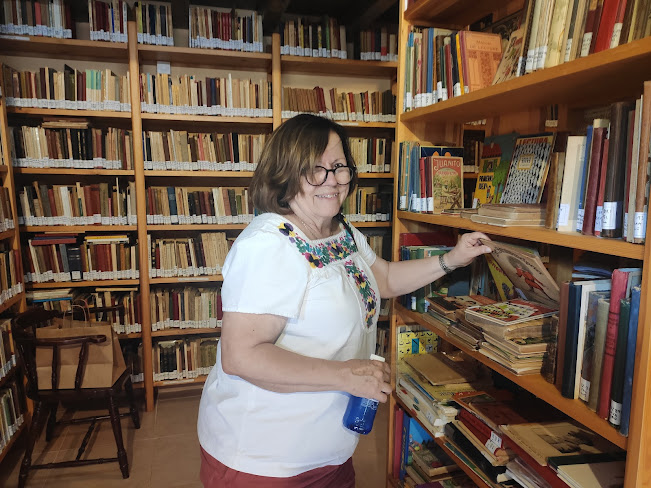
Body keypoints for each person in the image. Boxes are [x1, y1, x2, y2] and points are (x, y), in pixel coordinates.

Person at [197, 114, 491, 487]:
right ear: (286, 173)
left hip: (328, 448)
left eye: (339, 167)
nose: (332, 180)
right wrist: (346, 376)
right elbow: (242, 356)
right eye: (315, 170)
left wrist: (452, 260)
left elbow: (384, 279)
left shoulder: (341, 231)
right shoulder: (267, 246)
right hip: (267, 459)